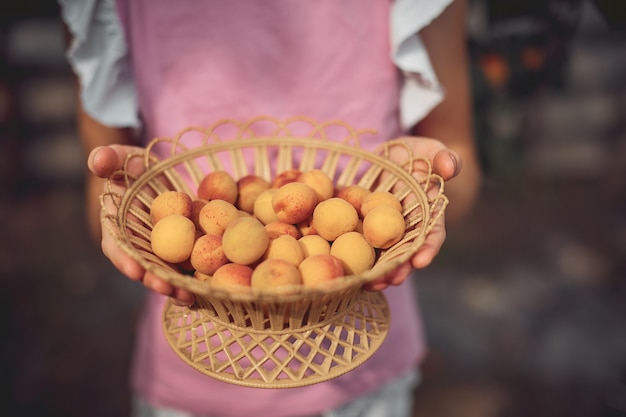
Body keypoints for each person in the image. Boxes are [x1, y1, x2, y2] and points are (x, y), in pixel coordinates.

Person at [59, 0, 481, 416]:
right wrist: (121, 211)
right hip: (194, 373)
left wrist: (423, 190)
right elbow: (104, 192)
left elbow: (457, 159)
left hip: (362, 364)